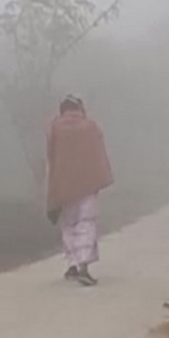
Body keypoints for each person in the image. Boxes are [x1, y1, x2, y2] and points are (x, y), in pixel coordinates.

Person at [46, 95, 114, 286]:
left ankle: (73, 264)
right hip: (87, 185)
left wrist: (53, 187)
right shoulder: (90, 126)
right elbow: (99, 152)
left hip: (64, 186)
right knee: (86, 223)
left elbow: (51, 157)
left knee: (69, 225)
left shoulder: (54, 129)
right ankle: (84, 265)